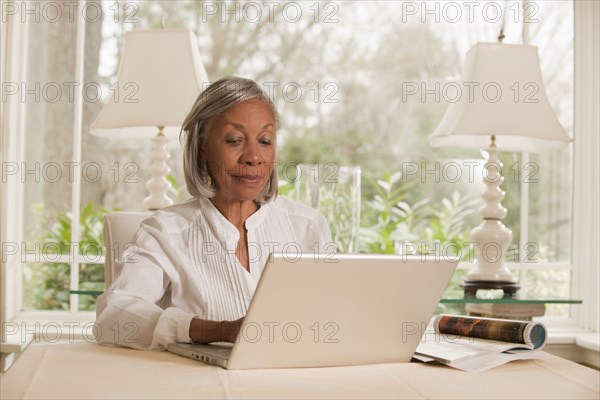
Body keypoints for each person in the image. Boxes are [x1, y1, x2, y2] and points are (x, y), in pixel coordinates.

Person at [95, 76, 333, 350]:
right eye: (235, 140)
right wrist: (216, 330)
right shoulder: (166, 231)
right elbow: (112, 317)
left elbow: (338, 314)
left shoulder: (308, 226)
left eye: (265, 140)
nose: (253, 156)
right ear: (202, 148)